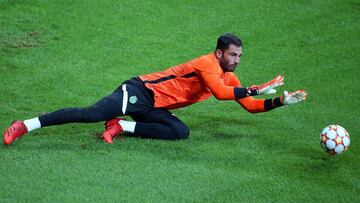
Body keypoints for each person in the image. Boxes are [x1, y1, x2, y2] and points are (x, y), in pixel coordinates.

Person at [3, 33, 307, 145]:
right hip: (140, 92)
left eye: (239, 56)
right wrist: (255, 90)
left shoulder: (232, 79)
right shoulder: (206, 64)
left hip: (154, 108)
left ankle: (122, 126)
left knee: (181, 133)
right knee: (89, 114)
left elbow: (250, 106)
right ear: (219, 53)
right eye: (232, 55)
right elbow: (220, 94)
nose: (236, 60)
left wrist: (281, 100)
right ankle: (25, 125)